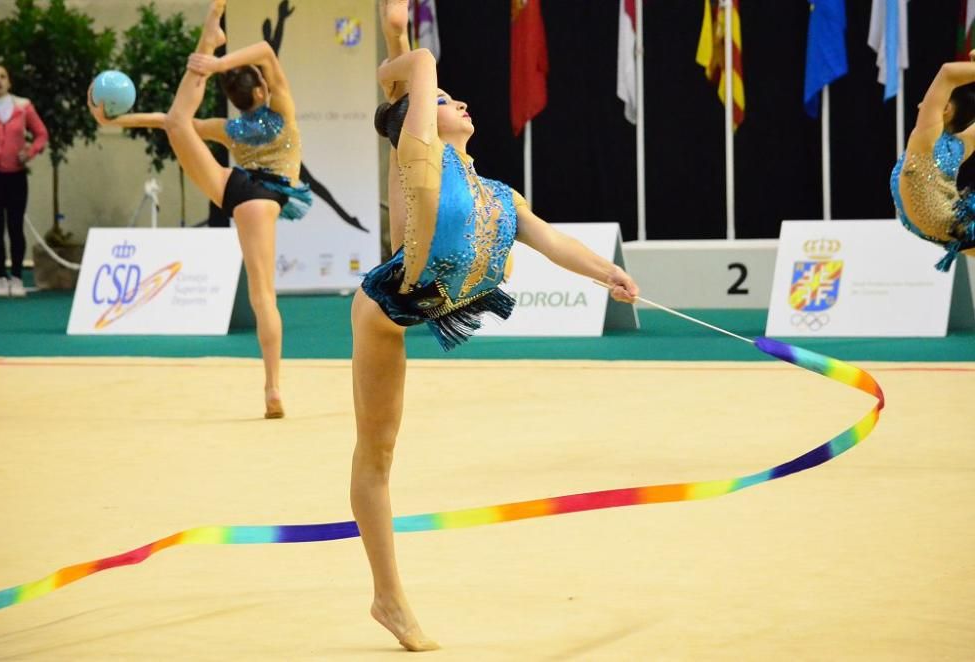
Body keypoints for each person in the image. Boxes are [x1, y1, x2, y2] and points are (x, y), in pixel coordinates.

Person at [348, 1, 639, 651]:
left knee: (386, 453)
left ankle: (385, 594)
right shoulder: (415, 158)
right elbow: (412, 72)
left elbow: (554, 243)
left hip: (434, 294)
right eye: (445, 100)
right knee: (376, 456)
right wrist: (401, 34)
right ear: (420, 117)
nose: (459, 102)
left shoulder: (501, 196)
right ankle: (388, 597)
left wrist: (606, 275)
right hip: (389, 304)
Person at [89, 0, 309, 419]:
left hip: (234, 187)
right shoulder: (282, 110)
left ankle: (210, 33)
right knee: (263, 297)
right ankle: (273, 388)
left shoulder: (229, 128)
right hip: (263, 199)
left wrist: (120, 120)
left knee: (177, 122)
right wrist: (216, 63)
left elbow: (170, 122)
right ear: (261, 91)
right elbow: (265, 50)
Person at [891, 52, 975, 271]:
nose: (922, 104)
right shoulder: (960, 145)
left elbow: (947, 73)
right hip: (953, 226)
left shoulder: (926, 138)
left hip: (950, 226)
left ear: (945, 109)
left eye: (927, 99)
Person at [0, 63, 49, 297]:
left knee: (15, 226)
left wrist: (30, 152)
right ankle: (0, 277)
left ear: (9, 81)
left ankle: (16, 276)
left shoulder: (23, 106)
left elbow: (41, 134)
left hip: (15, 175)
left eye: (2, 77)